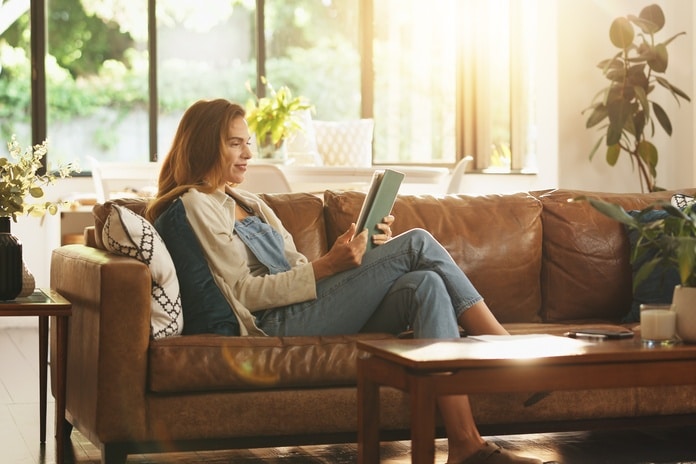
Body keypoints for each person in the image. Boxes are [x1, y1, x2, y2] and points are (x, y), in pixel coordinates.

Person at [145, 98, 542, 464]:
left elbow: (297, 266)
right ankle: (508, 358)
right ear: (203, 146)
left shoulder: (251, 203)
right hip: (273, 323)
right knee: (417, 243)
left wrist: (355, 258)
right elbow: (243, 293)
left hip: (307, 308)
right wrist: (328, 268)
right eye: (236, 144)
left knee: (426, 285)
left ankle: (464, 444)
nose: (249, 153)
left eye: (247, 142)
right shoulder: (195, 204)